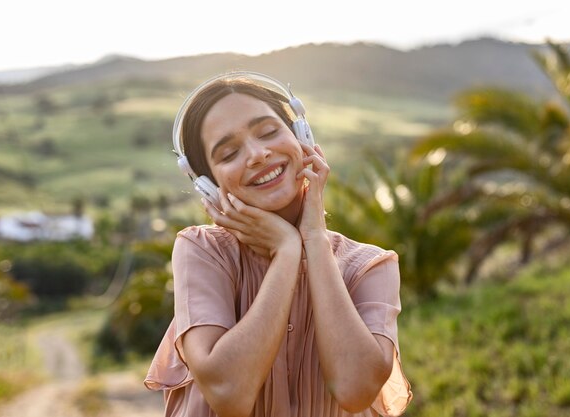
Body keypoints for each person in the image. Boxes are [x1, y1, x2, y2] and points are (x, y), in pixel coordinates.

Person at [144, 71, 412, 417]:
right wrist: (286, 251)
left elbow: (355, 389)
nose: (257, 154)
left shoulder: (371, 266)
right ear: (208, 184)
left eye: (269, 132)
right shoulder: (202, 251)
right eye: (229, 153)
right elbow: (228, 393)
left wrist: (312, 238)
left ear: (302, 136)